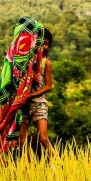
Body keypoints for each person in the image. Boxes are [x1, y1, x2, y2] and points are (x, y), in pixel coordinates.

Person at [20, 30, 56, 158]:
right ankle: (30, 168)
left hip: (39, 104)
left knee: (43, 138)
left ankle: (58, 164)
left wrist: (31, 95)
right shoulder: (25, 62)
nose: (42, 46)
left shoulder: (46, 63)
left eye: (46, 44)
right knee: (22, 140)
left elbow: (48, 86)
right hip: (23, 105)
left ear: (49, 46)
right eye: (40, 43)